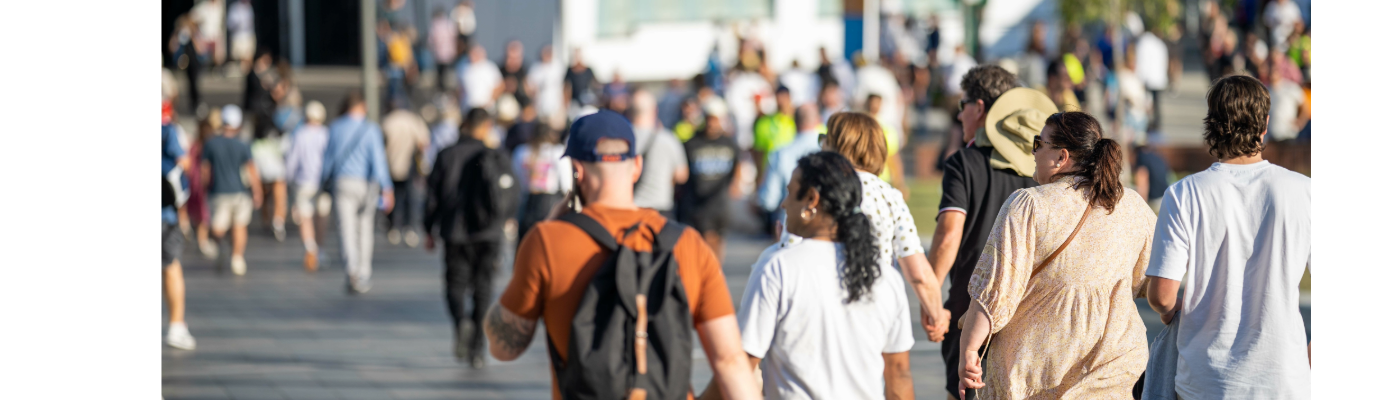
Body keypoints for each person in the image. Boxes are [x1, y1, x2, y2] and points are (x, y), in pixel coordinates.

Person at [484, 110, 762, 400]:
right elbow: (729, 362)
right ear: (637, 167)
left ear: (576, 171)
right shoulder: (687, 243)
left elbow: (503, 347)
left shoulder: (546, 241)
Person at [956, 111, 1155, 399]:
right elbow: (1157, 282)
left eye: (1039, 143)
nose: (1033, 151)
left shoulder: (1030, 206)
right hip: (1115, 371)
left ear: (1062, 157)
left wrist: (969, 350)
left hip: (1037, 377)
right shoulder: (1132, 205)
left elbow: (994, 291)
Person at [1145, 75, 1312, 399]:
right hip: (1283, 379)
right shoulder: (1304, 191)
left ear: (1212, 124)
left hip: (1207, 381)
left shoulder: (1184, 194)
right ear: (1264, 125)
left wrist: (1169, 311)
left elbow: (1162, 296)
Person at [701, 151, 913, 400]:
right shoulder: (885, 277)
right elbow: (899, 375)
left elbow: (739, 365)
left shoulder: (778, 267)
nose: (783, 204)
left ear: (811, 200)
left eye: (790, 192)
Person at [927, 66, 1050, 400]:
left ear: (979, 108)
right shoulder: (1041, 168)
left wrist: (931, 295)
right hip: (1030, 311)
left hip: (972, 309)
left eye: (963, 104)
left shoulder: (964, 163)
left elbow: (949, 234)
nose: (959, 113)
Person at [817, 112, 946, 347]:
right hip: (872, 307)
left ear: (837, 145)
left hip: (818, 305)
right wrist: (936, 313)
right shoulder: (888, 196)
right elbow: (917, 271)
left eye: (824, 138)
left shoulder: (813, 191)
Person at [424, 107, 505, 367]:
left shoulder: (446, 155)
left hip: (454, 230)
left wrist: (429, 228)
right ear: (486, 127)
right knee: (483, 288)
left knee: (455, 284)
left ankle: (461, 321)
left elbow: (432, 196)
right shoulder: (495, 155)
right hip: (488, 232)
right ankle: (478, 349)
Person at [323, 92, 394, 294]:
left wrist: (323, 182)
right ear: (362, 107)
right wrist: (387, 188)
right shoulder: (371, 129)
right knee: (364, 229)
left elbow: (328, 160)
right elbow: (378, 161)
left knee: (345, 229)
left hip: (342, 182)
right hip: (366, 184)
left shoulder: (335, 127)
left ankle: (351, 270)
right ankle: (364, 272)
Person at [202, 105, 263, 275]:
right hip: (240, 192)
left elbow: (205, 170)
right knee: (239, 226)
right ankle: (237, 257)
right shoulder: (243, 144)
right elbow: (251, 169)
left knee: (217, 228)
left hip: (218, 192)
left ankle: (222, 246)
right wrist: (257, 191)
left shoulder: (211, 143)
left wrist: (203, 187)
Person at [680, 111, 741, 262]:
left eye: (716, 120)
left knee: (719, 240)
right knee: (707, 238)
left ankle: (715, 271)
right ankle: (710, 272)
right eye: (709, 120)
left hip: (721, 201)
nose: (712, 124)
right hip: (699, 201)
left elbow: (738, 164)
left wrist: (736, 183)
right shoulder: (692, 143)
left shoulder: (729, 143)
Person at [756, 104, 822, 240]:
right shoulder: (829, 153)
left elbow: (769, 199)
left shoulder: (781, 153)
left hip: (791, 228)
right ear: (818, 120)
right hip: (822, 228)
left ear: (795, 122)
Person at [163, 103, 197, 351]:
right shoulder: (167, 129)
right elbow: (183, 163)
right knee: (171, 266)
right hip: (164, 213)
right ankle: (176, 325)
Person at [284, 101, 331, 270]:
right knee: (322, 216)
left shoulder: (300, 134)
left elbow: (292, 160)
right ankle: (321, 249)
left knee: (305, 216)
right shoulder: (327, 134)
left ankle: (310, 247)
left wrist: (288, 178)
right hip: (323, 181)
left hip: (303, 182)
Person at [629, 90, 689, 218]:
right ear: (655, 111)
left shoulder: (622, 140)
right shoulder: (668, 139)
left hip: (632, 208)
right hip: (661, 209)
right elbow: (682, 175)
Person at [381, 102, 431, 247]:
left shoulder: (387, 121)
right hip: (409, 163)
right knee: (411, 196)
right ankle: (410, 228)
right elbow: (423, 142)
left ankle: (393, 227)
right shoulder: (413, 120)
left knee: (392, 195)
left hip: (390, 164)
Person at [511, 123, 571, 244]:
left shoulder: (520, 151)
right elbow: (566, 185)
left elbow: (515, 181)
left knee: (526, 244)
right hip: (549, 204)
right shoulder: (557, 152)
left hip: (525, 204)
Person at [751, 86, 797, 180]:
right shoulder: (764, 124)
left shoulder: (799, 121)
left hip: (795, 173)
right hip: (771, 175)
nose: (781, 101)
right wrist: (759, 176)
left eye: (784, 97)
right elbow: (759, 153)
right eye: (779, 97)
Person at [865, 94, 905, 191]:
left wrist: (899, 181)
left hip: (881, 176)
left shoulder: (886, 128)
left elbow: (892, 156)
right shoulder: (858, 126)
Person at [1268, 51, 1309, 143]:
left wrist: (1300, 122)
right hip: (1271, 137)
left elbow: (1305, 107)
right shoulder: (1265, 90)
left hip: (1289, 135)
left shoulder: (1291, 88)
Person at [526, 44, 565, 126]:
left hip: (556, 107)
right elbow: (529, 87)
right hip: (540, 108)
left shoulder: (558, 67)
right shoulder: (536, 68)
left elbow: (565, 86)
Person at [458, 45, 503, 111]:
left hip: (486, 108)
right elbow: (460, 88)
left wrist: (490, 102)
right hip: (467, 108)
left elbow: (500, 86)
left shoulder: (490, 67)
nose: (474, 56)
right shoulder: (462, 66)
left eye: (476, 53)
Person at [428, 8, 459, 92]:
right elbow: (455, 37)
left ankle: (442, 89)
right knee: (448, 72)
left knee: (441, 73)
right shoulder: (449, 23)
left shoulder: (435, 24)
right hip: (449, 52)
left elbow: (431, 40)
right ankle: (446, 90)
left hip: (440, 53)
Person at [226, 0, 255, 72]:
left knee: (248, 57)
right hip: (238, 37)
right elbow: (230, 24)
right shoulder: (234, 7)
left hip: (248, 36)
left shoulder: (249, 7)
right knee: (238, 58)